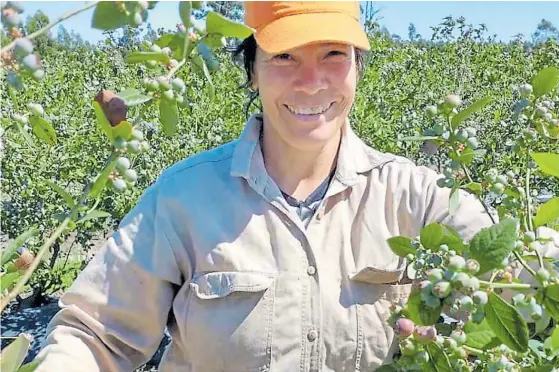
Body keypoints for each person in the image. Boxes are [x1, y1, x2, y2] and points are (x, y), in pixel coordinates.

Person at [33, 2, 558, 372]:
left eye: (334, 54)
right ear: (253, 71)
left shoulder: (416, 196)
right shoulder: (183, 200)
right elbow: (95, 337)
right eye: (285, 57)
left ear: (357, 70)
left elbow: (520, 275)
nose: (312, 81)